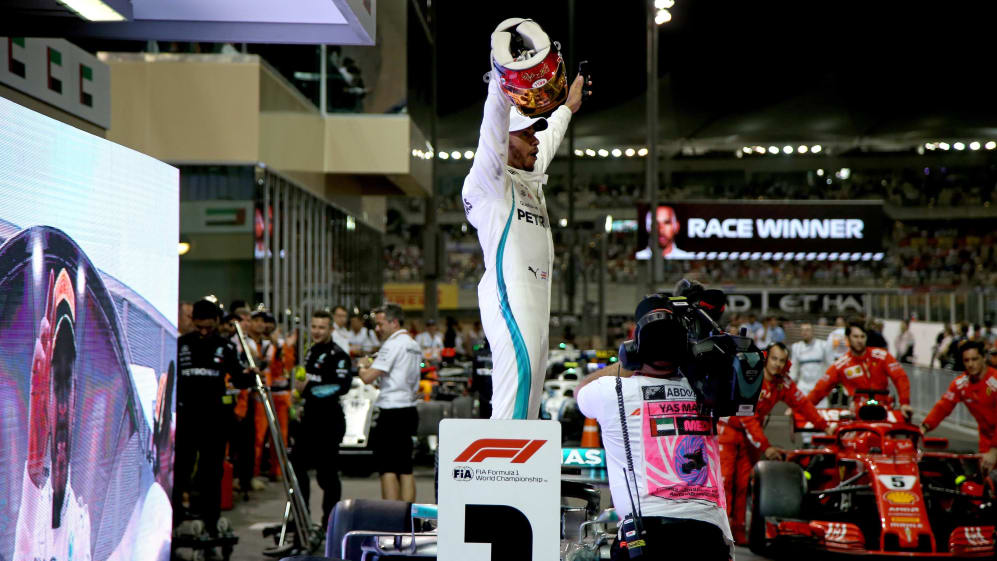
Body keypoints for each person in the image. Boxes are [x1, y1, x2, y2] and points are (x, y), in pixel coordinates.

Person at [463, 17, 587, 419]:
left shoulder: (529, 177)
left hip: (534, 301)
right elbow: (492, 129)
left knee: (529, 397)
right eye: (527, 133)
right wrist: (502, 79)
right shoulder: (488, 182)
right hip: (510, 298)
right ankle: (501, 460)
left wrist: (567, 106)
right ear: (507, 141)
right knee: (515, 399)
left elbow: (550, 134)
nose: (536, 139)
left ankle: (515, 458)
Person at [576, 294, 732, 560]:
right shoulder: (708, 391)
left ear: (634, 350)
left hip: (645, 536)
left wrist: (625, 363)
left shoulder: (611, 392)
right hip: (709, 533)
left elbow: (580, 390)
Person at [719, 342, 830, 544]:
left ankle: (739, 531)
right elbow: (746, 417)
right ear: (766, 359)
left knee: (744, 484)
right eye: (774, 359)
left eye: (782, 360)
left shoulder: (783, 383)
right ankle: (722, 533)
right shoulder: (751, 375)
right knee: (725, 482)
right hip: (728, 431)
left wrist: (825, 426)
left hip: (751, 436)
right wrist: (766, 447)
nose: (777, 364)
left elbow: (803, 405)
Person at [173, 299, 249, 537]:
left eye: (209, 327)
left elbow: (239, 377)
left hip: (215, 419)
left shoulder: (226, 347)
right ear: (192, 321)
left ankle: (211, 520)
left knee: (212, 471)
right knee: (181, 470)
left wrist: (251, 376)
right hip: (186, 418)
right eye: (199, 327)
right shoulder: (180, 344)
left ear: (217, 322)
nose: (204, 332)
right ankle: (175, 519)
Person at [292, 309, 353, 529]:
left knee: (327, 475)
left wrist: (308, 390)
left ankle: (330, 523)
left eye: (322, 327)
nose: (317, 331)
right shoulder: (311, 351)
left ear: (331, 329)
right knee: (296, 466)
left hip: (329, 421)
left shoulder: (339, 355)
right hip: (309, 419)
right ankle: (301, 518)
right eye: (314, 327)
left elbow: (342, 387)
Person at [358, 304, 422, 501]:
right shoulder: (413, 344)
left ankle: (390, 516)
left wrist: (361, 366)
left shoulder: (392, 344)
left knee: (387, 468)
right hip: (409, 409)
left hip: (392, 412)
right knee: (405, 468)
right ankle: (407, 515)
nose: (377, 329)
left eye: (380, 324)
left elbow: (367, 377)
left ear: (394, 322)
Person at [807, 321, 912, 418]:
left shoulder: (882, 356)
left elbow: (900, 377)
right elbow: (820, 389)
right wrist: (804, 408)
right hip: (857, 414)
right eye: (855, 337)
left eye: (862, 336)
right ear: (847, 338)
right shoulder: (841, 365)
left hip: (884, 409)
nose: (859, 340)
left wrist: (904, 403)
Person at [921, 341, 997, 472]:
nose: (970, 364)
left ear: (984, 358)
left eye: (974, 359)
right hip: (986, 441)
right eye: (966, 360)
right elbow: (943, 406)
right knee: (984, 479)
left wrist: (995, 450)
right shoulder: (961, 383)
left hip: (994, 444)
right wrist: (924, 427)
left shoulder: (994, 381)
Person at [789, 323, 830, 406]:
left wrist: (828, 385)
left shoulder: (823, 345)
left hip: (819, 386)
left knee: (821, 411)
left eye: (807, 330)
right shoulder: (796, 347)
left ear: (812, 331)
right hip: (803, 387)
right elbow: (793, 368)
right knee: (801, 411)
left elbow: (829, 365)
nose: (805, 332)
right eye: (802, 330)